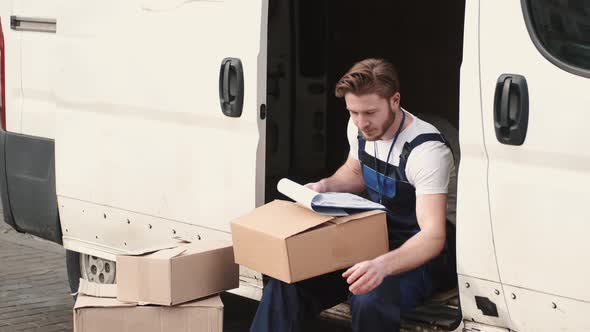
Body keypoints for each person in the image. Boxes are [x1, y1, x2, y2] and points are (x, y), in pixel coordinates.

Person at [250, 58, 457, 332]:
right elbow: (355, 171)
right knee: (288, 283)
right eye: (353, 113)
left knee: (368, 298)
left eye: (370, 112)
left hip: (422, 252)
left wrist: (381, 266)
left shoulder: (427, 152)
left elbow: (433, 236)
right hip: (374, 236)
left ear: (395, 101)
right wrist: (324, 187)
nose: (362, 123)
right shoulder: (359, 127)